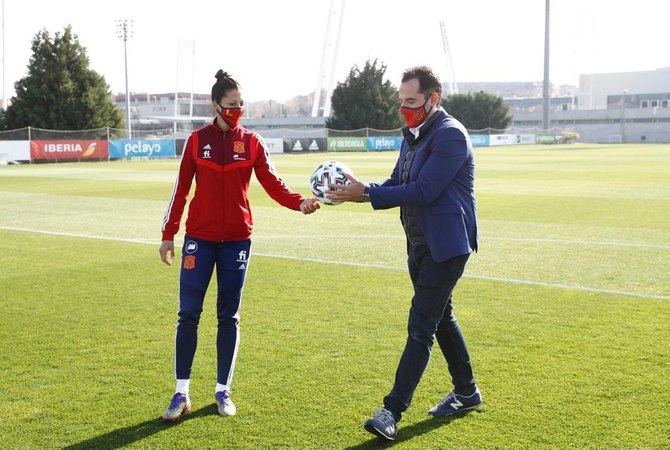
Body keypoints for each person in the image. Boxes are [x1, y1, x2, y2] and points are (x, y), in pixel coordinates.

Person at [326, 66, 480, 441]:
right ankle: (467, 392)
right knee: (441, 318)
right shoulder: (412, 135)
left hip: (446, 245)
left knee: (421, 325)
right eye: (402, 102)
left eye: (411, 101)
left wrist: (365, 193)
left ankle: (391, 411)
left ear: (433, 99)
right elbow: (398, 183)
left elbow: (425, 190)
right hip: (419, 241)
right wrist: (358, 190)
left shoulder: (450, 136)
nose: (404, 108)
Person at [159, 70, 320, 421]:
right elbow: (181, 190)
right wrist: (168, 235)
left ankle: (222, 390)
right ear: (216, 105)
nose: (238, 110)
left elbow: (273, 184)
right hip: (198, 240)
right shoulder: (196, 140)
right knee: (188, 315)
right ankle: (181, 392)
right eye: (232, 105)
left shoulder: (251, 142)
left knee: (227, 316)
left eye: (241, 104)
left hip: (237, 241)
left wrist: (299, 203)